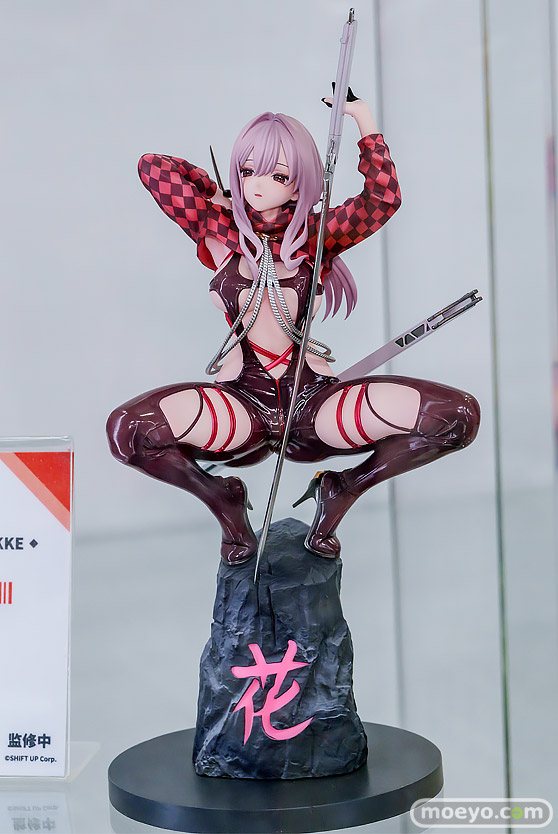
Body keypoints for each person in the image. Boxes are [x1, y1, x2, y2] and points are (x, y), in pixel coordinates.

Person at [107, 95, 480, 566]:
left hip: (314, 405)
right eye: (248, 171)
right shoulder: (216, 227)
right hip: (242, 405)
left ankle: (345, 489)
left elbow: (382, 200)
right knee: (129, 432)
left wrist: (363, 119)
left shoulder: (318, 235)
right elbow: (153, 167)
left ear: (302, 181)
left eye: (278, 176)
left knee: (455, 418)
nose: (258, 186)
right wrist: (215, 191)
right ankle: (222, 499)